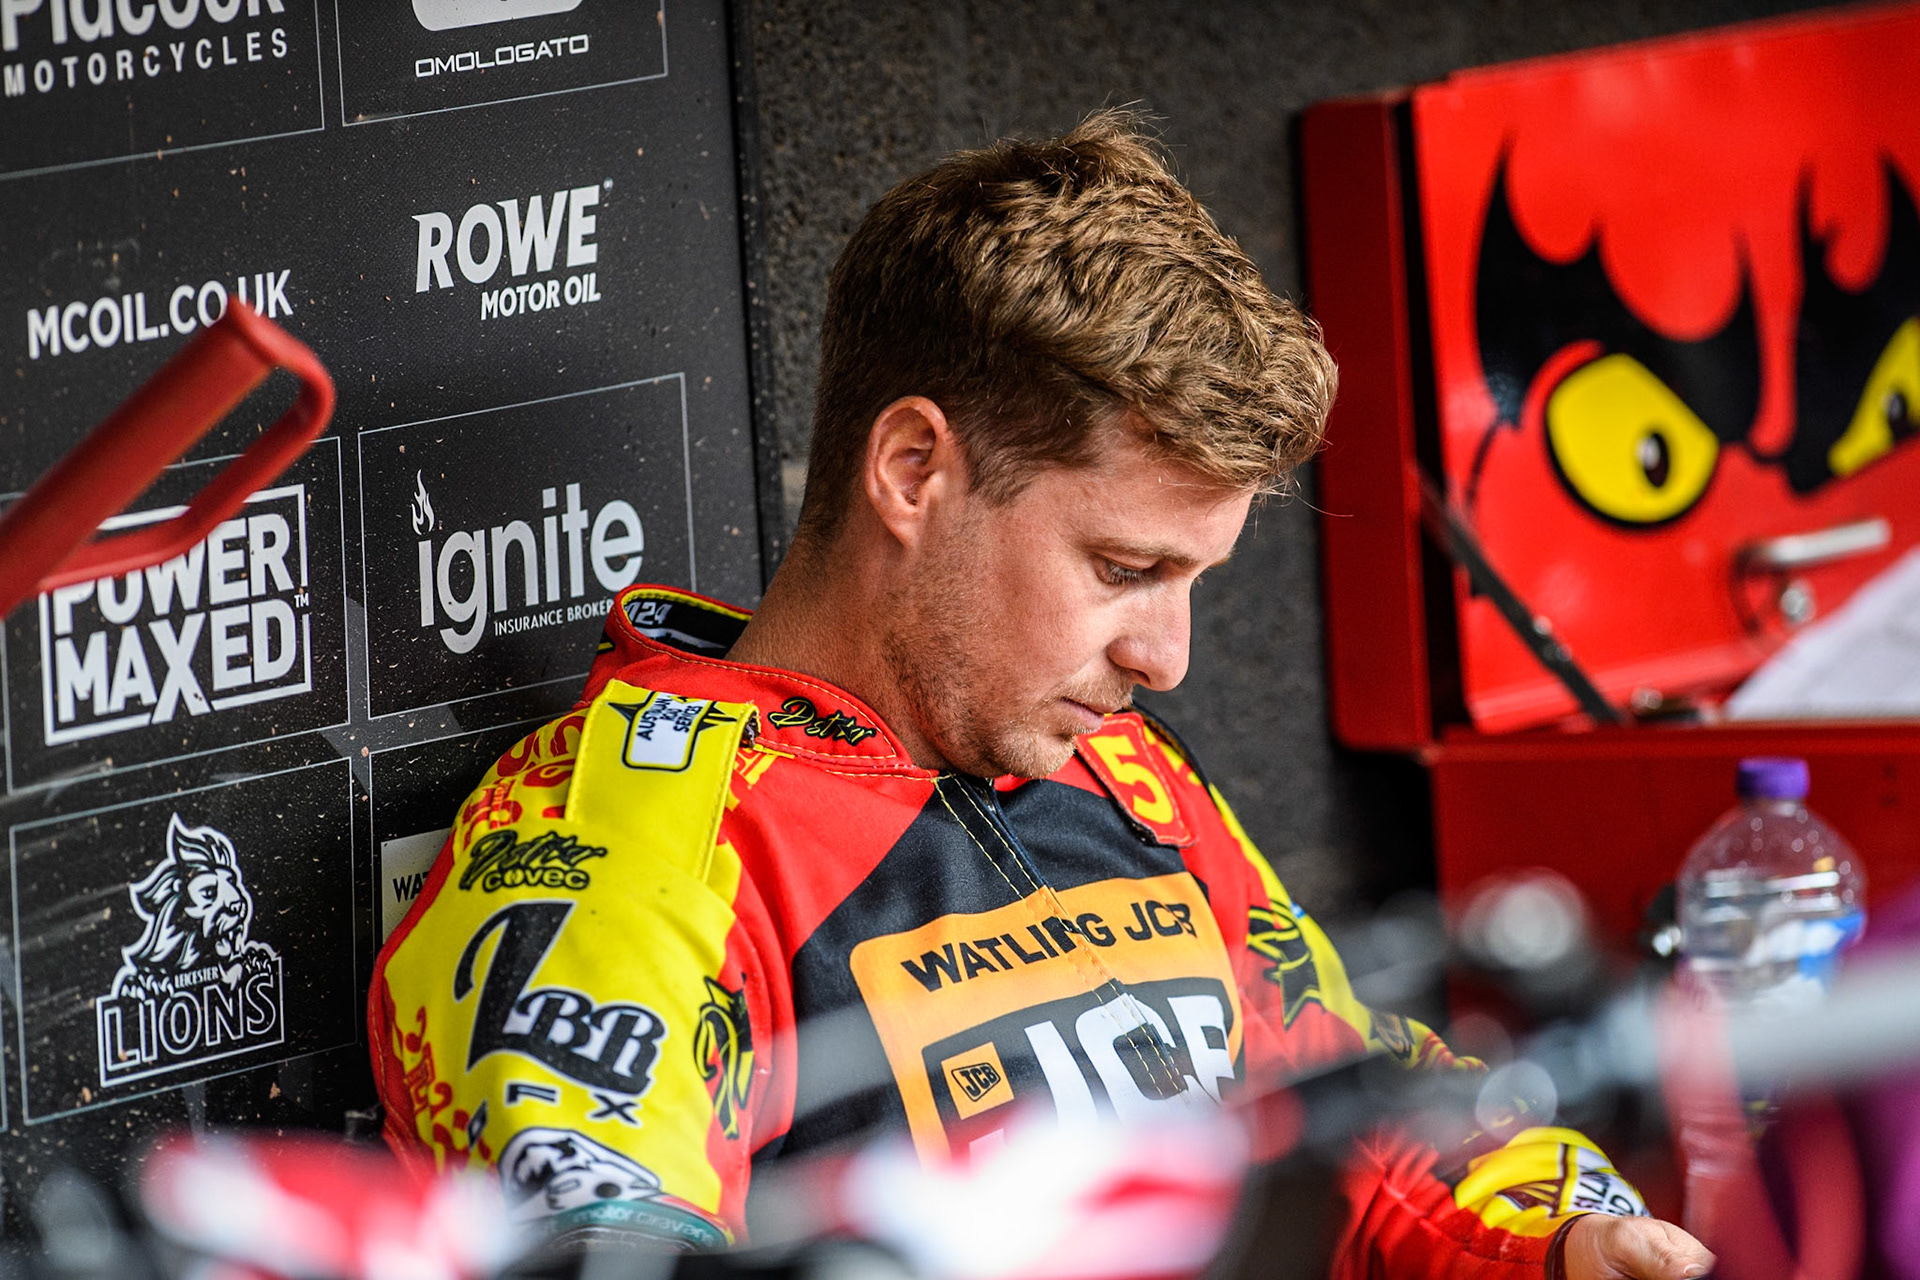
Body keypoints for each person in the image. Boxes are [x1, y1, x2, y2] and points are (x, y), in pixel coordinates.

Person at [370, 112, 1712, 1280]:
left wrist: (1576, 1236)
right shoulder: (624, 849)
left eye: (1193, 579)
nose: (1167, 657)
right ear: (911, 471)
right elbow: (613, 1252)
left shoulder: (1123, 773)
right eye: (1126, 568)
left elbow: (1371, 1109)